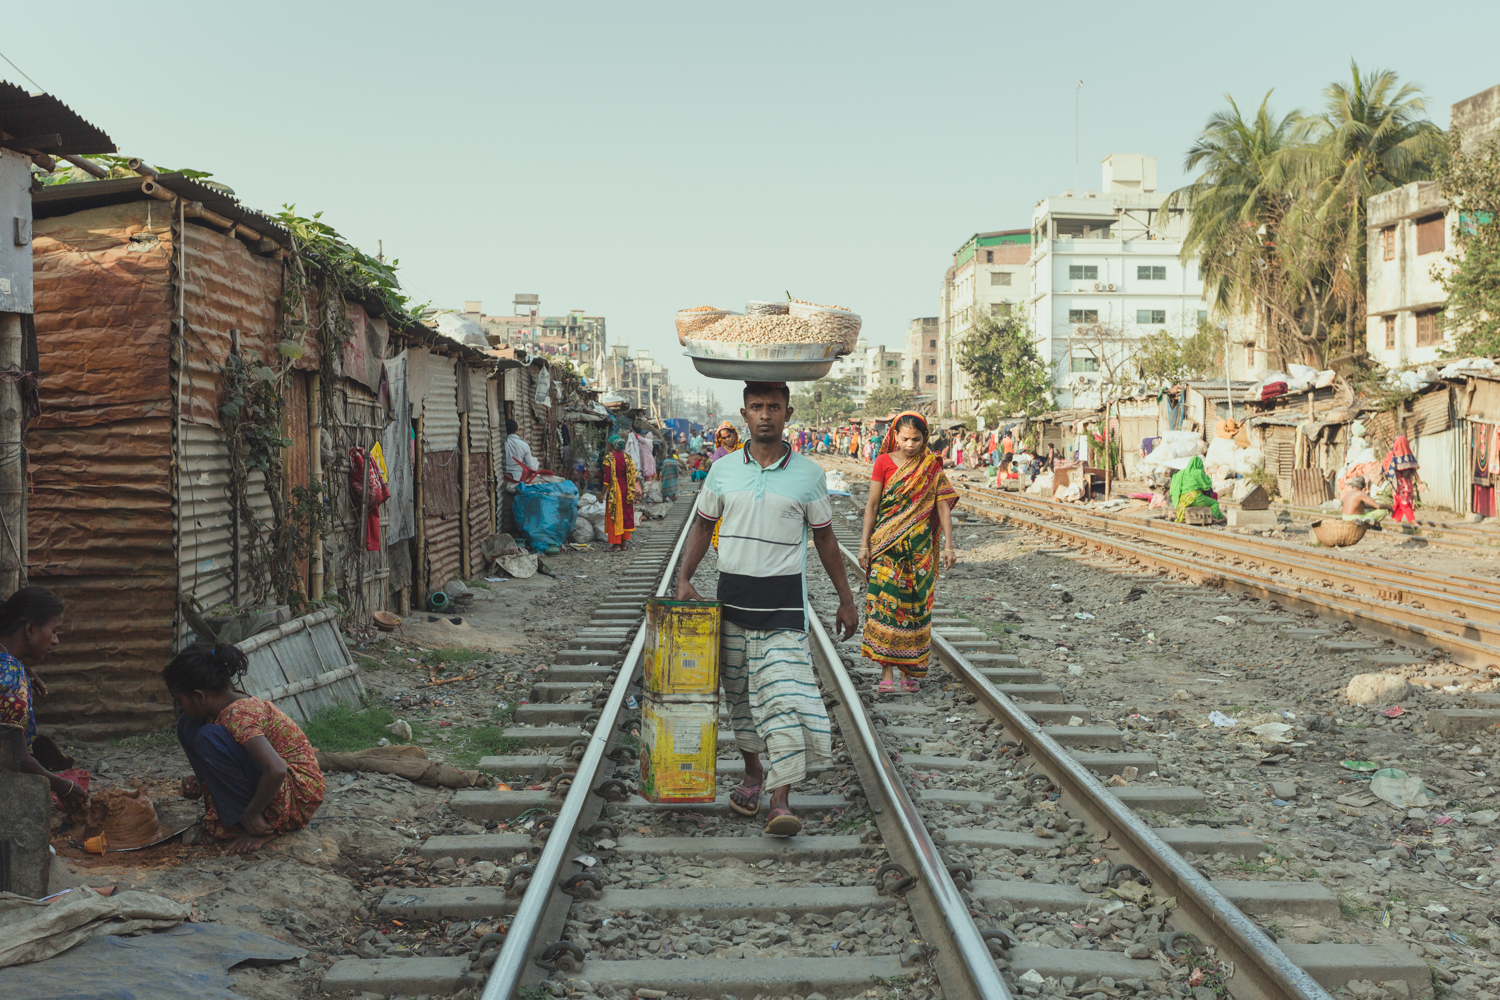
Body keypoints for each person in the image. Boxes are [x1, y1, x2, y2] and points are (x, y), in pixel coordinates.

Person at [676, 382, 858, 837]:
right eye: (756, 407)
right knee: (739, 700)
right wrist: (684, 578)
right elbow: (702, 526)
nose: (765, 415)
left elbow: (824, 539)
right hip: (731, 604)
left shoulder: (809, 475)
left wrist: (847, 597)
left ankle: (780, 797)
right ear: (743, 413)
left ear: (787, 412)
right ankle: (753, 773)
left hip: (782, 609)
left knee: (785, 700)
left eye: (773, 407)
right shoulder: (721, 473)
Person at [166, 642, 324, 855]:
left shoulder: (239, 714)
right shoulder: (220, 708)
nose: (179, 707)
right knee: (189, 725)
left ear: (200, 696)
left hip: (298, 794)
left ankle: (259, 825)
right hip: (276, 784)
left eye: (179, 700)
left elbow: (276, 769)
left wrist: (251, 813)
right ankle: (236, 809)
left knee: (207, 736)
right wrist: (201, 780)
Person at [859, 413, 958, 694]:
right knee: (885, 605)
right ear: (894, 436)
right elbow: (873, 505)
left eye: (916, 439)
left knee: (915, 608)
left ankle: (908, 672)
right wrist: (864, 544)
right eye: (904, 439)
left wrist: (949, 546)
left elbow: (942, 508)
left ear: (925, 438)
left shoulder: (931, 466)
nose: (910, 444)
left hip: (919, 548)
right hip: (886, 546)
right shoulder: (883, 462)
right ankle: (886, 672)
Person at [0, 587, 88, 809]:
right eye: (54, 631)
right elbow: (14, 759)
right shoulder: (11, 678)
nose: (56, 640)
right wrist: (62, 785)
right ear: (30, 629)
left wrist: (24, 669)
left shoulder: (8, 667)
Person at [602, 434, 640, 551]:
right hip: (627, 490)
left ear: (610, 446)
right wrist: (633, 494)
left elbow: (607, 478)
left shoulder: (609, 458)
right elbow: (633, 477)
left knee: (614, 515)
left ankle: (616, 545)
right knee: (625, 516)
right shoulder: (628, 458)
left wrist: (602, 493)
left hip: (615, 490)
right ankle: (623, 545)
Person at [1169, 456, 1223, 522]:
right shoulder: (1198, 472)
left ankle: (1222, 517)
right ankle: (1212, 516)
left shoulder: (1182, 473)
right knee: (1215, 503)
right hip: (1195, 497)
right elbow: (1207, 484)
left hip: (1183, 500)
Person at [1382, 435, 1420, 524]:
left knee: (1402, 502)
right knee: (1404, 503)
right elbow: (1414, 471)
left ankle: (1396, 520)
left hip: (1404, 485)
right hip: (1400, 485)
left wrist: (1420, 483)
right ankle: (1413, 521)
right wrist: (1420, 483)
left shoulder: (1392, 456)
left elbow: (1385, 468)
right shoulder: (1395, 456)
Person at [503, 418, 538, 482]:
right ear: (517, 429)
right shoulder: (524, 445)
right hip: (518, 478)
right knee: (535, 461)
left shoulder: (503, 443)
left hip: (504, 477)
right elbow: (530, 466)